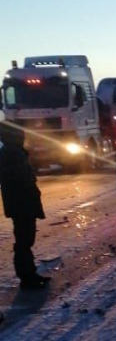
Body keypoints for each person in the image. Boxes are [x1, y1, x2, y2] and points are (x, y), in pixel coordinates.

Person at [0, 122, 48, 290]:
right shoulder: (11, 153)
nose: (23, 136)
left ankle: (29, 273)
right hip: (21, 205)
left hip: (21, 204)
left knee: (25, 240)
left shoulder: (13, 152)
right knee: (23, 240)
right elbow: (20, 180)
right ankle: (27, 277)